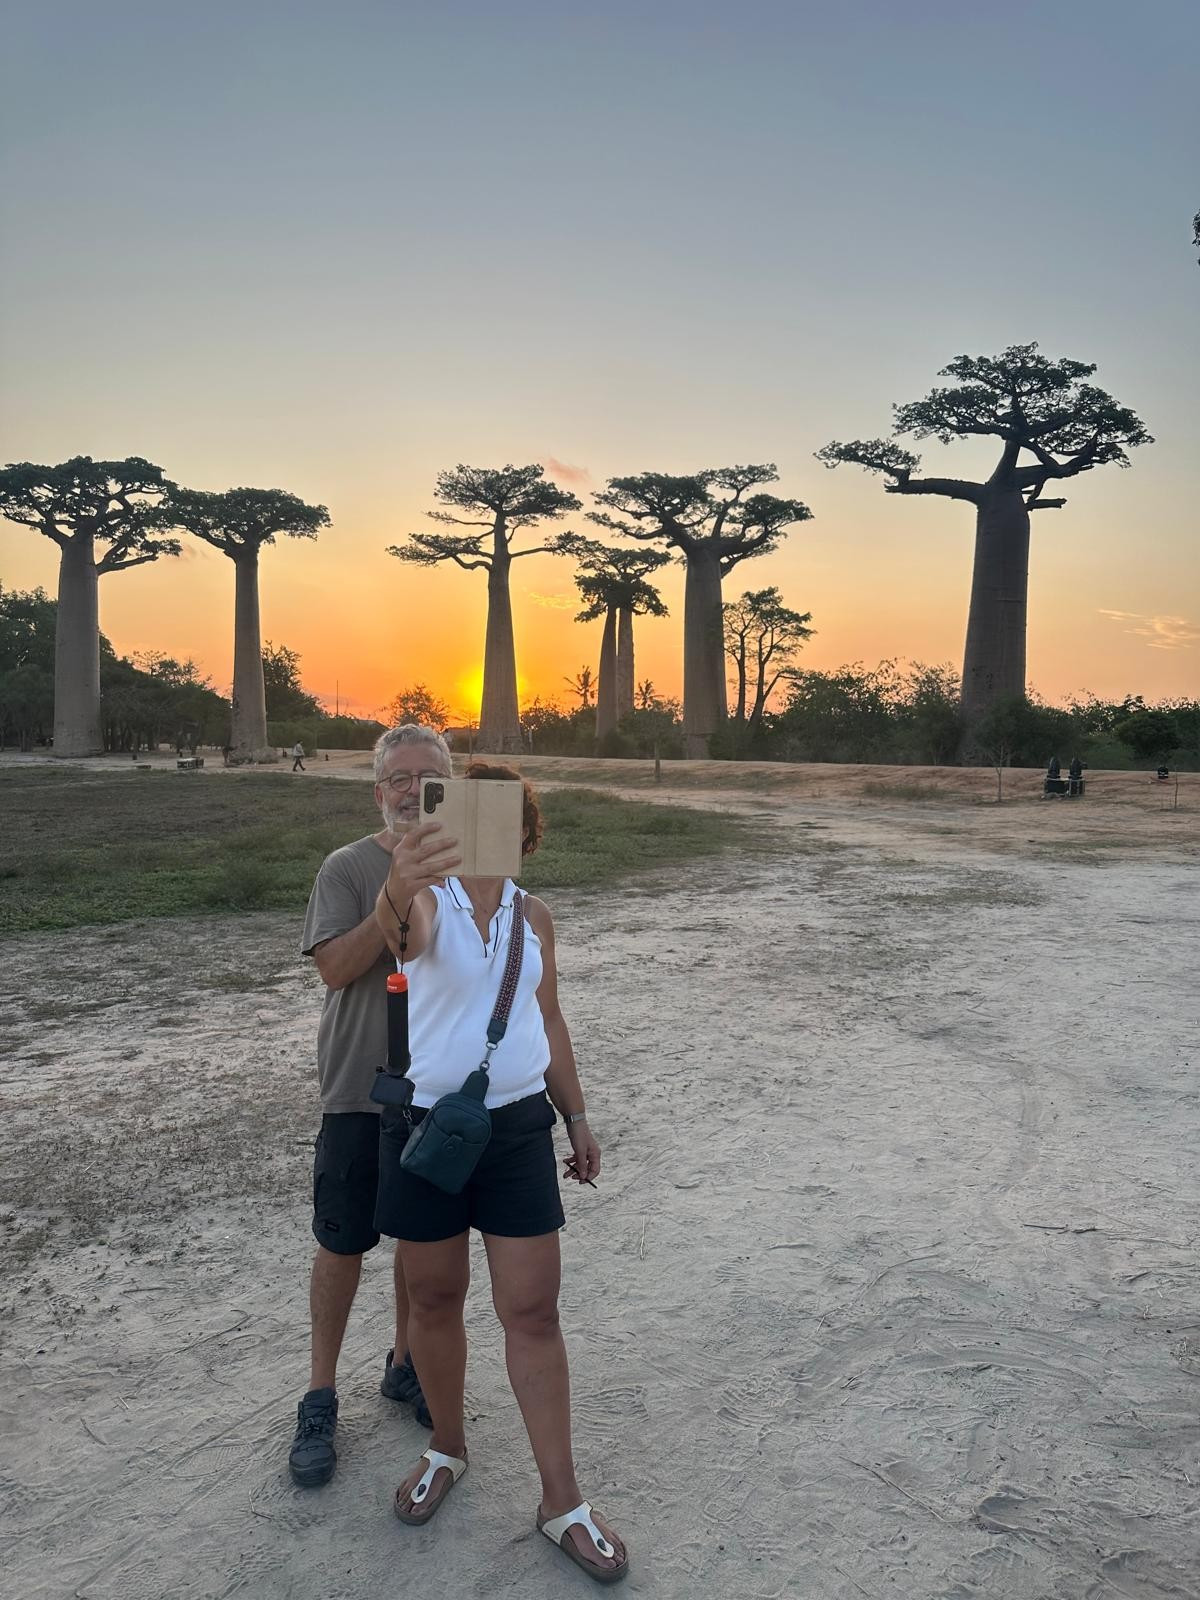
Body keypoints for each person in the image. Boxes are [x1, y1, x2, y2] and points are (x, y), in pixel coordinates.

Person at [373, 762, 628, 1584]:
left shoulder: (535, 916)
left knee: (532, 1312)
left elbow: (548, 1018)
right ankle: (446, 1445)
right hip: (427, 1128)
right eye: (469, 817)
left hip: (517, 1128)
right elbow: (394, 939)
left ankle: (562, 1500)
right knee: (435, 1299)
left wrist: (577, 1114)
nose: (491, 835)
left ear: (525, 835)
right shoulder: (422, 901)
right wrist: (402, 874)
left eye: (506, 821)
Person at [287, 724, 455, 1487]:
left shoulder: (467, 868)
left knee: (418, 1244)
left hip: (437, 1089)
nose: (413, 790)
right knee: (343, 1242)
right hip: (359, 1084)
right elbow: (335, 969)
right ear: (378, 789)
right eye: (399, 777)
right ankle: (319, 1393)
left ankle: (405, 1362)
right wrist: (397, 891)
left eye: (430, 776)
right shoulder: (346, 867)